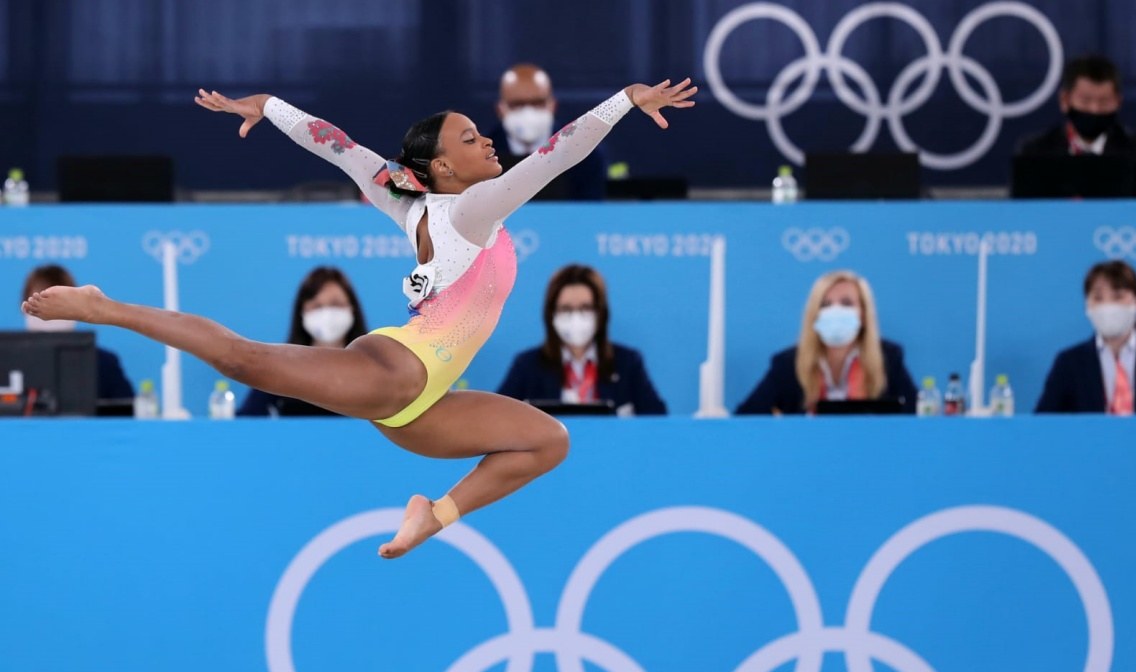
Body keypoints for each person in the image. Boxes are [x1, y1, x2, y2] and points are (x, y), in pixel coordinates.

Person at [22, 77, 696, 558]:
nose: (488, 139)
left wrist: (271, 106)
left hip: (425, 409)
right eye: (471, 136)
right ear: (440, 165)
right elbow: (557, 155)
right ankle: (104, 305)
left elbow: (336, 145)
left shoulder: (416, 204)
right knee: (245, 360)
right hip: (396, 374)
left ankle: (433, 514)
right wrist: (623, 102)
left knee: (549, 441)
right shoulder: (472, 208)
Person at [735, 270, 916, 415]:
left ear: (864, 314)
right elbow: (746, 418)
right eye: (825, 305)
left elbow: (918, 416)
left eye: (846, 303)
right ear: (814, 315)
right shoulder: (788, 363)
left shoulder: (888, 358)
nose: (835, 310)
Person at [498, 263, 666, 415]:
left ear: (601, 313)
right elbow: (497, 418)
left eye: (585, 308)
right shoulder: (528, 365)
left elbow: (657, 422)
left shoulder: (627, 362)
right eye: (566, 309)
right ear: (551, 314)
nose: (576, 317)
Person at [238, 266, 368, 417]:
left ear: (352, 309)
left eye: (336, 304)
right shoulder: (281, 365)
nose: (327, 314)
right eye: (317, 306)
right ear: (302, 313)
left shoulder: (371, 364)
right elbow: (247, 421)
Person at [1036, 260, 1136, 414]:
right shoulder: (1069, 363)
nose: (1108, 306)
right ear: (1087, 305)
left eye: (1118, 297)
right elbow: (1043, 423)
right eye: (1098, 298)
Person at [489, 63, 606, 201]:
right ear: (500, 109)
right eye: (517, 104)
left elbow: (591, 212)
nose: (528, 112)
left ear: (552, 105)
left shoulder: (584, 151)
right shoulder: (482, 154)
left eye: (538, 103)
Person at [20, 264, 134, 404]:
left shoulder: (105, 364)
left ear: (76, 310)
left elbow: (127, 414)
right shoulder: (6, 362)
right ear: (24, 307)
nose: (50, 314)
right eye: (38, 303)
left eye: (58, 305)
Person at [1017, 54, 1136, 159]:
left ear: (1118, 102)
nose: (1095, 109)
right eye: (1085, 101)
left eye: (1104, 102)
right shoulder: (1035, 151)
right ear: (1065, 100)